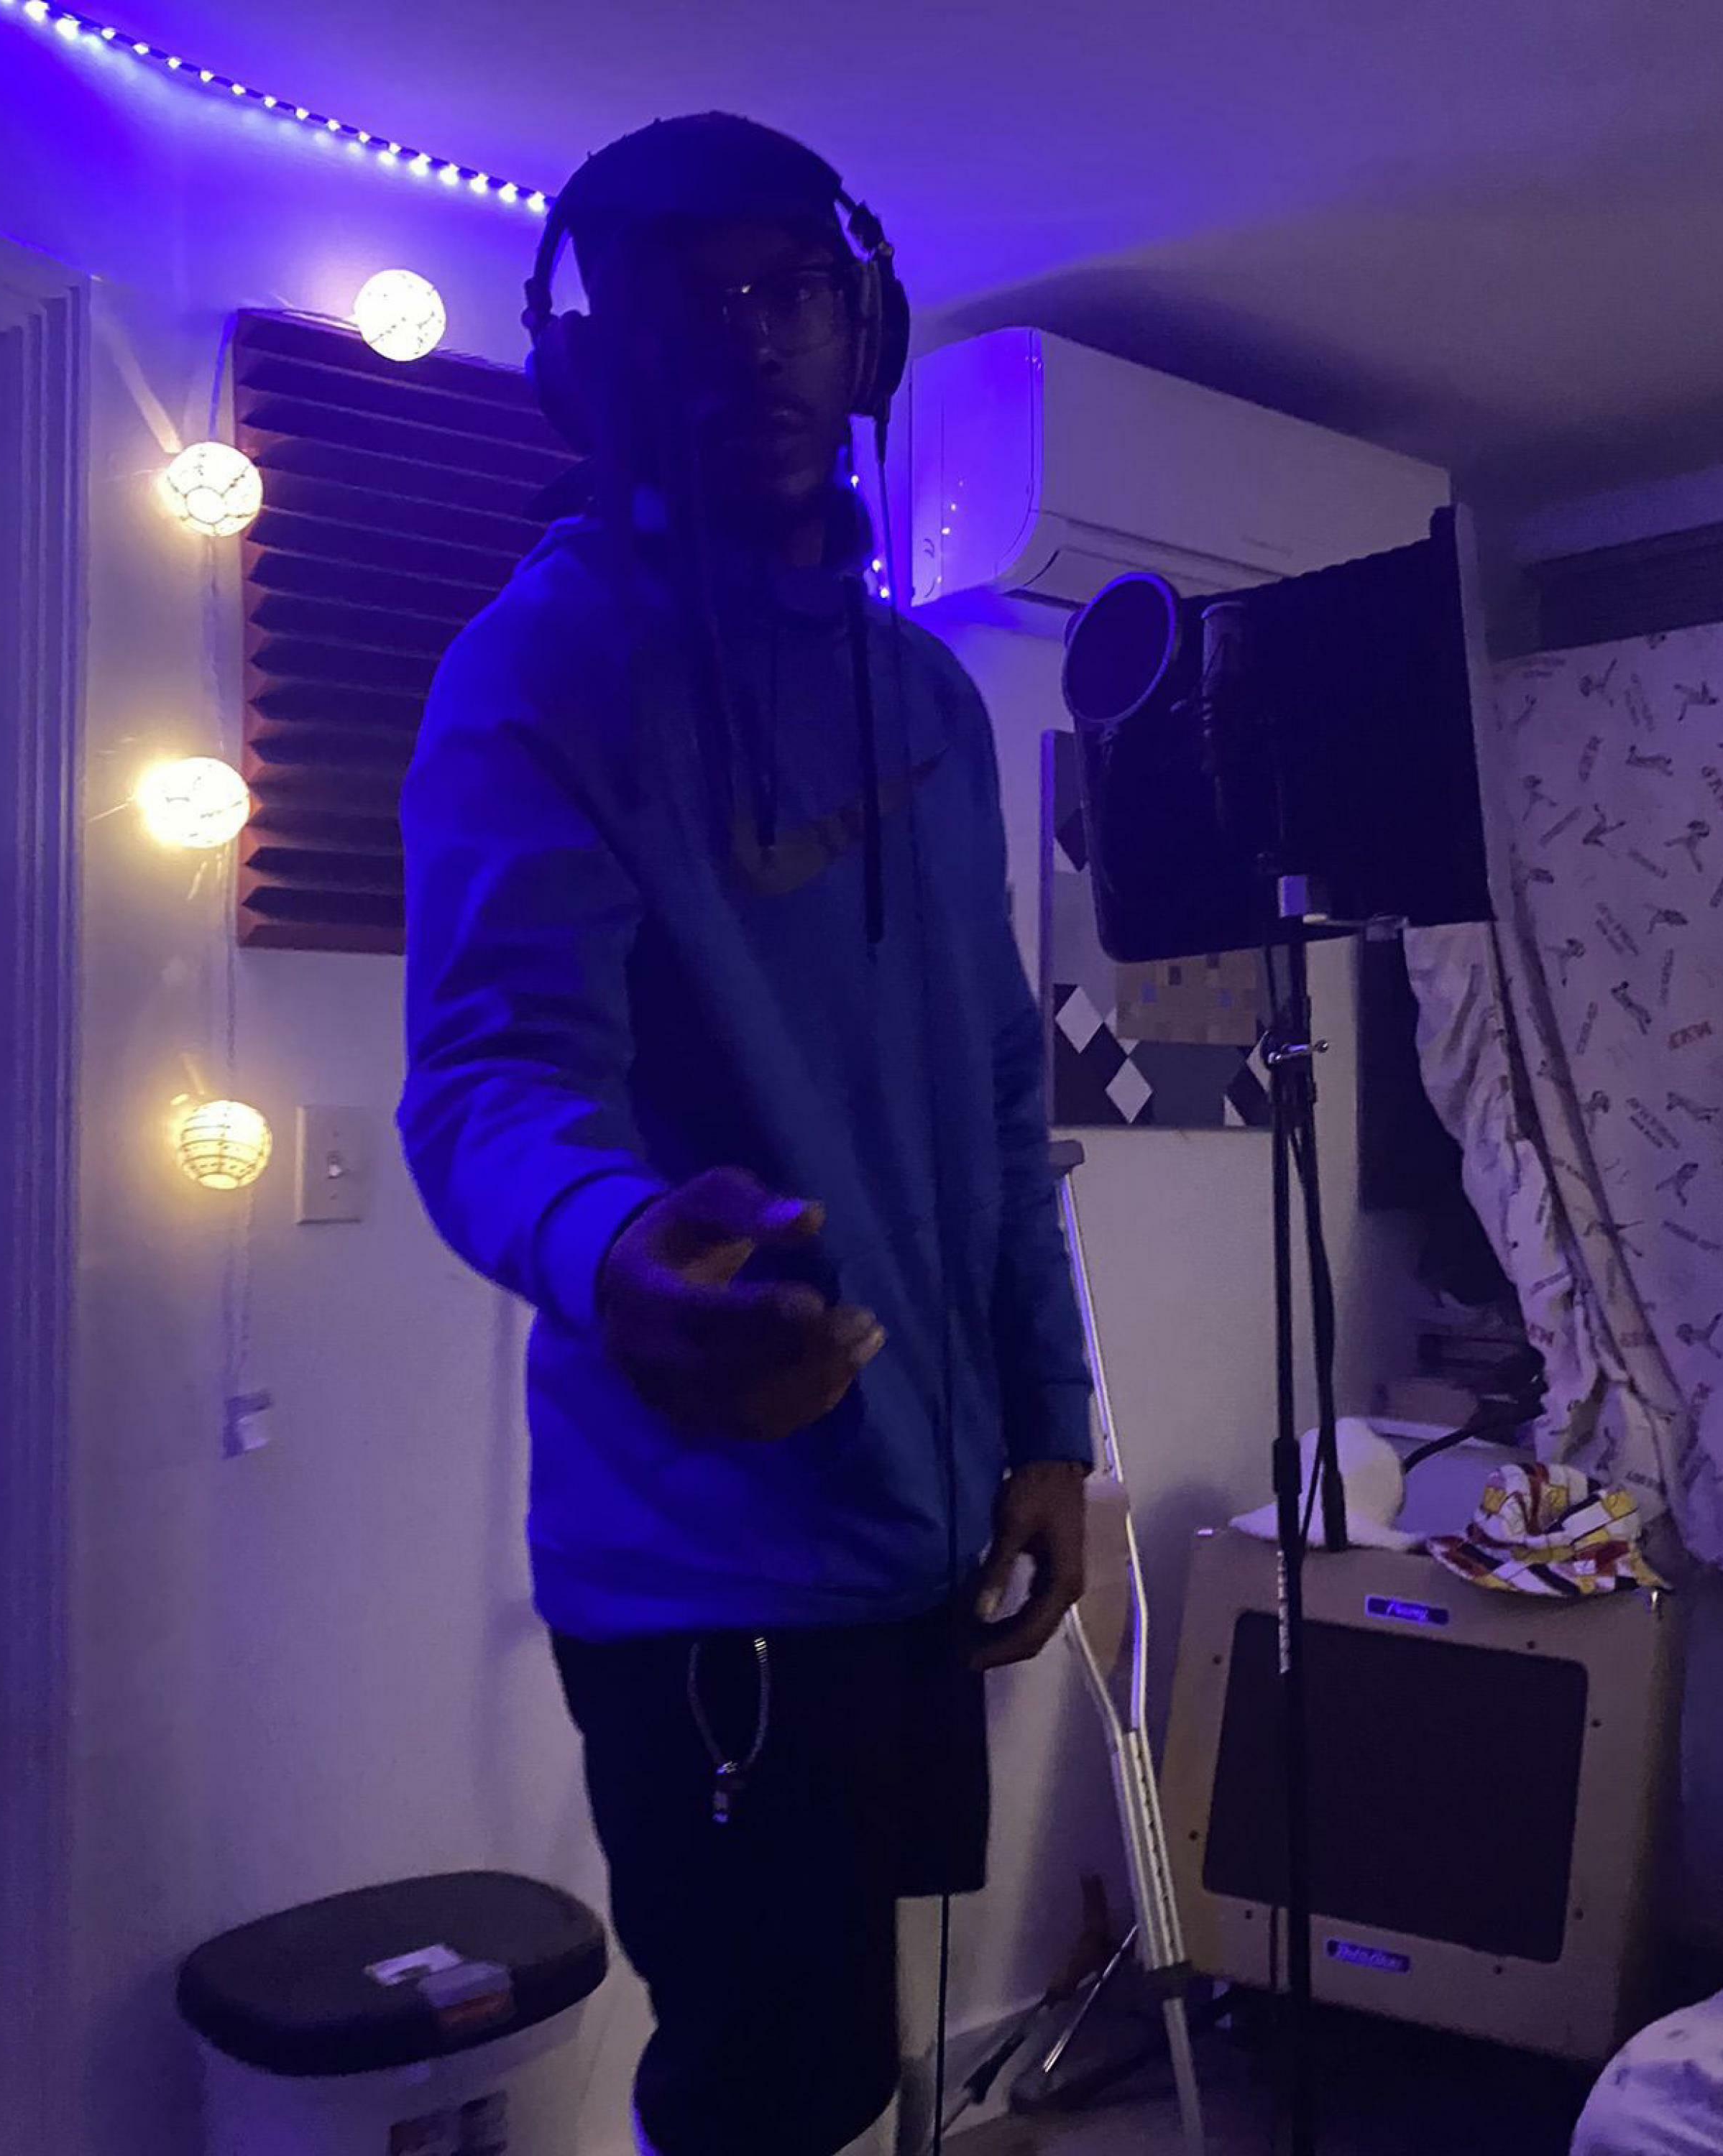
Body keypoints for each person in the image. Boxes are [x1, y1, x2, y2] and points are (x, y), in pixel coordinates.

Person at [397, 113, 1093, 2156]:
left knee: (858, 2067)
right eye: (696, 301)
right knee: (757, 2094)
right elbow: (488, 1080)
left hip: (918, 1542)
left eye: (794, 292)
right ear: (591, 363)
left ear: (863, 332)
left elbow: (997, 1091)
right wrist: (615, 1245)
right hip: (706, 1581)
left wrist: (1048, 1432)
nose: (758, 339)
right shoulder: (536, 673)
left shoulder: (930, 700)